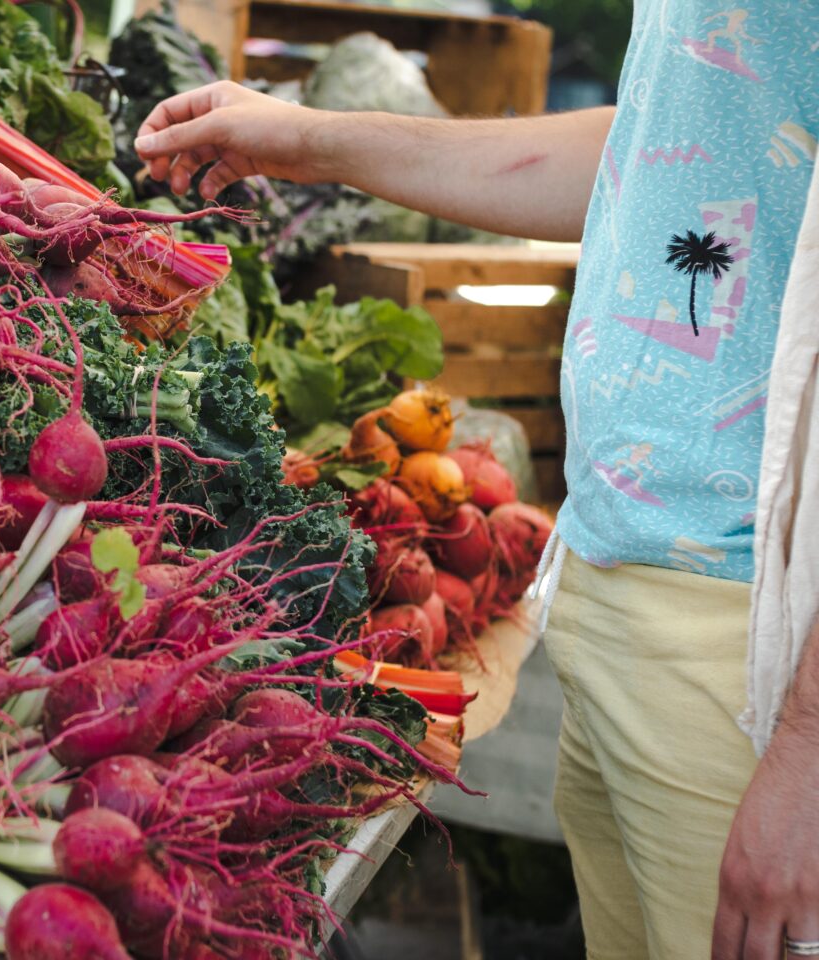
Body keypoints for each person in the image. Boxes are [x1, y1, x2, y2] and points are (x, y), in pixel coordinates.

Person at [134, 5, 818, 959]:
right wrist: (311, 140)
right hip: (623, 588)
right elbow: (654, 150)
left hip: (755, 647)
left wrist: (810, 756)